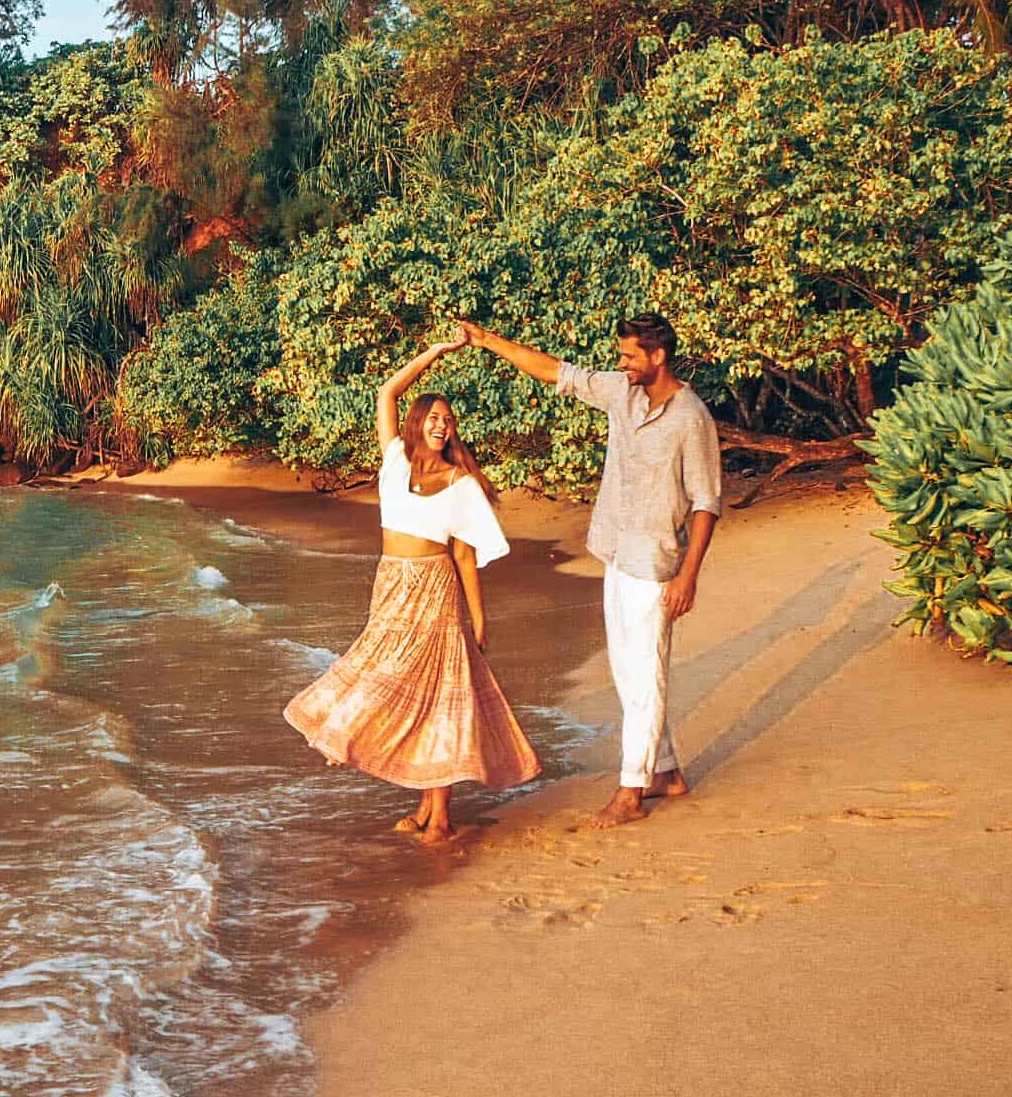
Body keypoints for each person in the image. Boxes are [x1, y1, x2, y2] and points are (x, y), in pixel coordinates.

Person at [458, 313, 722, 829]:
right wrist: (487, 340)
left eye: (629, 356)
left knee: (646, 674)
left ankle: (630, 793)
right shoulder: (621, 393)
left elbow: (707, 502)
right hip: (615, 550)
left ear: (657, 357)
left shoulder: (692, 417)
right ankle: (665, 772)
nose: (621, 364)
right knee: (628, 673)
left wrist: (688, 576)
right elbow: (556, 372)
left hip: (656, 561)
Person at [283, 330, 542, 846]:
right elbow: (385, 391)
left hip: (435, 591)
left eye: (448, 420)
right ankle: (427, 804)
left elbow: (465, 557)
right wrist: (437, 352)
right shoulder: (395, 463)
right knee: (388, 687)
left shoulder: (461, 483)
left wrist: (480, 619)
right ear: (417, 422)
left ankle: (440, 815)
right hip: (391, 588)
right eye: (434, 417)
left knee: (438, 695)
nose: (442, 425)